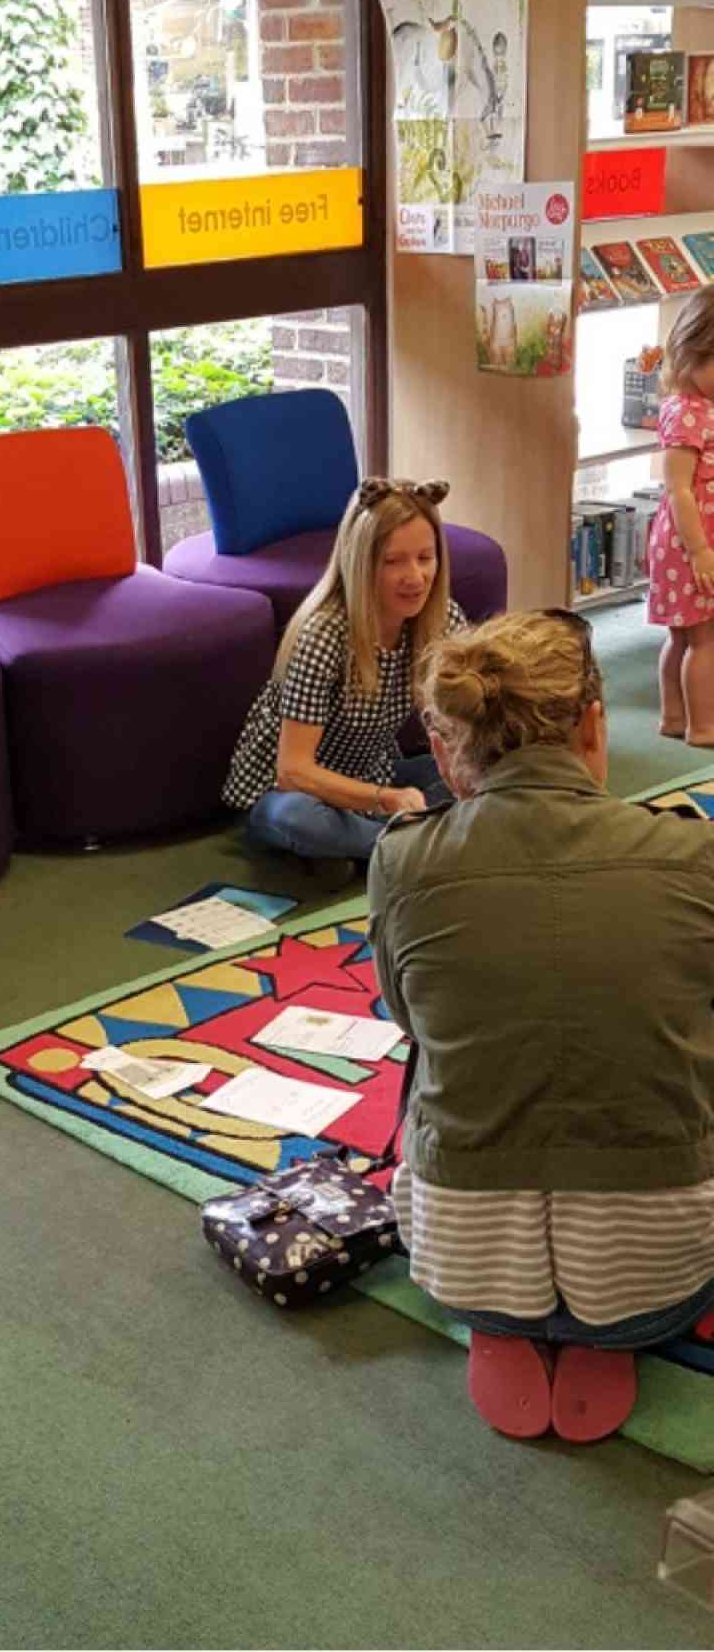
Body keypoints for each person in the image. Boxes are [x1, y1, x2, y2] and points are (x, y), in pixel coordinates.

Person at [369, 609, 714, 1443]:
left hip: (462, 1264)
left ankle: (511, 1316)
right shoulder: (695, 855)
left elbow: (405, 1019)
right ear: (595, 725)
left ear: (451, 750)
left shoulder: (404, 858)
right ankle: (609, 1325)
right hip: (662, 1272)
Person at [222, 477, 466, 875]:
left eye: (425, 558)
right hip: (289, 791)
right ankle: (407, 847)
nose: (415, 577)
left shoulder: (444, 618)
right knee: (299, 820)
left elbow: (465, 727)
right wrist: (386, 799)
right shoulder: (323, 635)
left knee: (478, 773)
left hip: (373, 775)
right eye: (393, 561)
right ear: (361, 562)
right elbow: (293, 770)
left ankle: (366, 848)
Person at [650, 284, 714, 744]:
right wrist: (700, 551)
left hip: (686, 542)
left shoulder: (691, 407)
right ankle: (702, 725)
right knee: (705, 640)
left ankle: (674, 717)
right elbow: (679, 489)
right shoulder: (691, 415)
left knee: (683, 636)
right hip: (690, 543)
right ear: (691, 353)